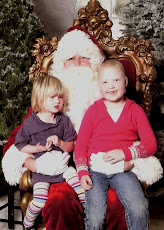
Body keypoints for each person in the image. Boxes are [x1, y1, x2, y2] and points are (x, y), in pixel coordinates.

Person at [74, 59, 158, 230]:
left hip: (122, 170)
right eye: (105, 82)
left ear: (125, 82)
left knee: (139, 207)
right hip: (95, 171)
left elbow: (151, 144)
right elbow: (80, 146)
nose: (111, 86)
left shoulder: (135, 111)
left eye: (116, 80)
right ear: (99, 85)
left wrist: (125, 153)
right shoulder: (93, 111)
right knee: (95, 216)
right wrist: (82, 171)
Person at [14, 75, 85, 229]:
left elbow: (71, 146)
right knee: (39, 201)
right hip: (42, 171)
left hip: (63, 167)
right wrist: (37, 149)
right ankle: (28, 222)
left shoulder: (64, 120)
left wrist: (60, 142)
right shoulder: (30, 123)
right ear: (39, 98)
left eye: (60, 96)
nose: (57, 101)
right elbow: (20, 144)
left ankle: (88, 219)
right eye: (51, 97)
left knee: (82, 191)